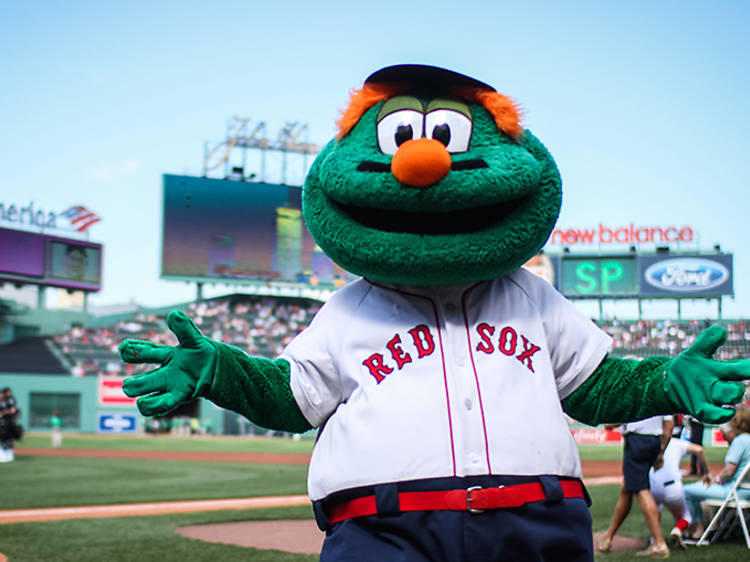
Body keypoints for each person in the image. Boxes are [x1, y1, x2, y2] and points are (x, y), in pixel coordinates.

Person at [597, 415, 674, 558]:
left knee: (640, 489)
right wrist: (661, 451)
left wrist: (611, 423)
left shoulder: (635, 392)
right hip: (654, 440)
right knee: (627, 487)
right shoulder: (661, 391)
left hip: (637, 440)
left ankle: (659, 543)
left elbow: (625, 414)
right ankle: (608, 536)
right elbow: (669, 424)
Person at [684, 406, 750, 540]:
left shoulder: (740, 441)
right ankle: (707, 527)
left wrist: (717, 479)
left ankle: (698, 530)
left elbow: (729, 472)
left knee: (687, 490)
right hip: (745, 490)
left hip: (734, 491)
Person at [649, 418, 710, 549]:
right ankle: (678, 529)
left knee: (654, 511)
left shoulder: (651, 442)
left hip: (652, 486)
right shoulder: (677, 443)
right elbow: (699, 449)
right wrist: (706, 472)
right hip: (672, 488)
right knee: (686, 515)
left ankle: (655, 538)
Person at [0, 387, 20, 462]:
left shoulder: (9, 400)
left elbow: (14, 410)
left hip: (8, 423)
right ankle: (3, 455)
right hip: (3, 423)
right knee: (3, 439)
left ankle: (8, 455)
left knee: (8, 439)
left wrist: (6, 412)